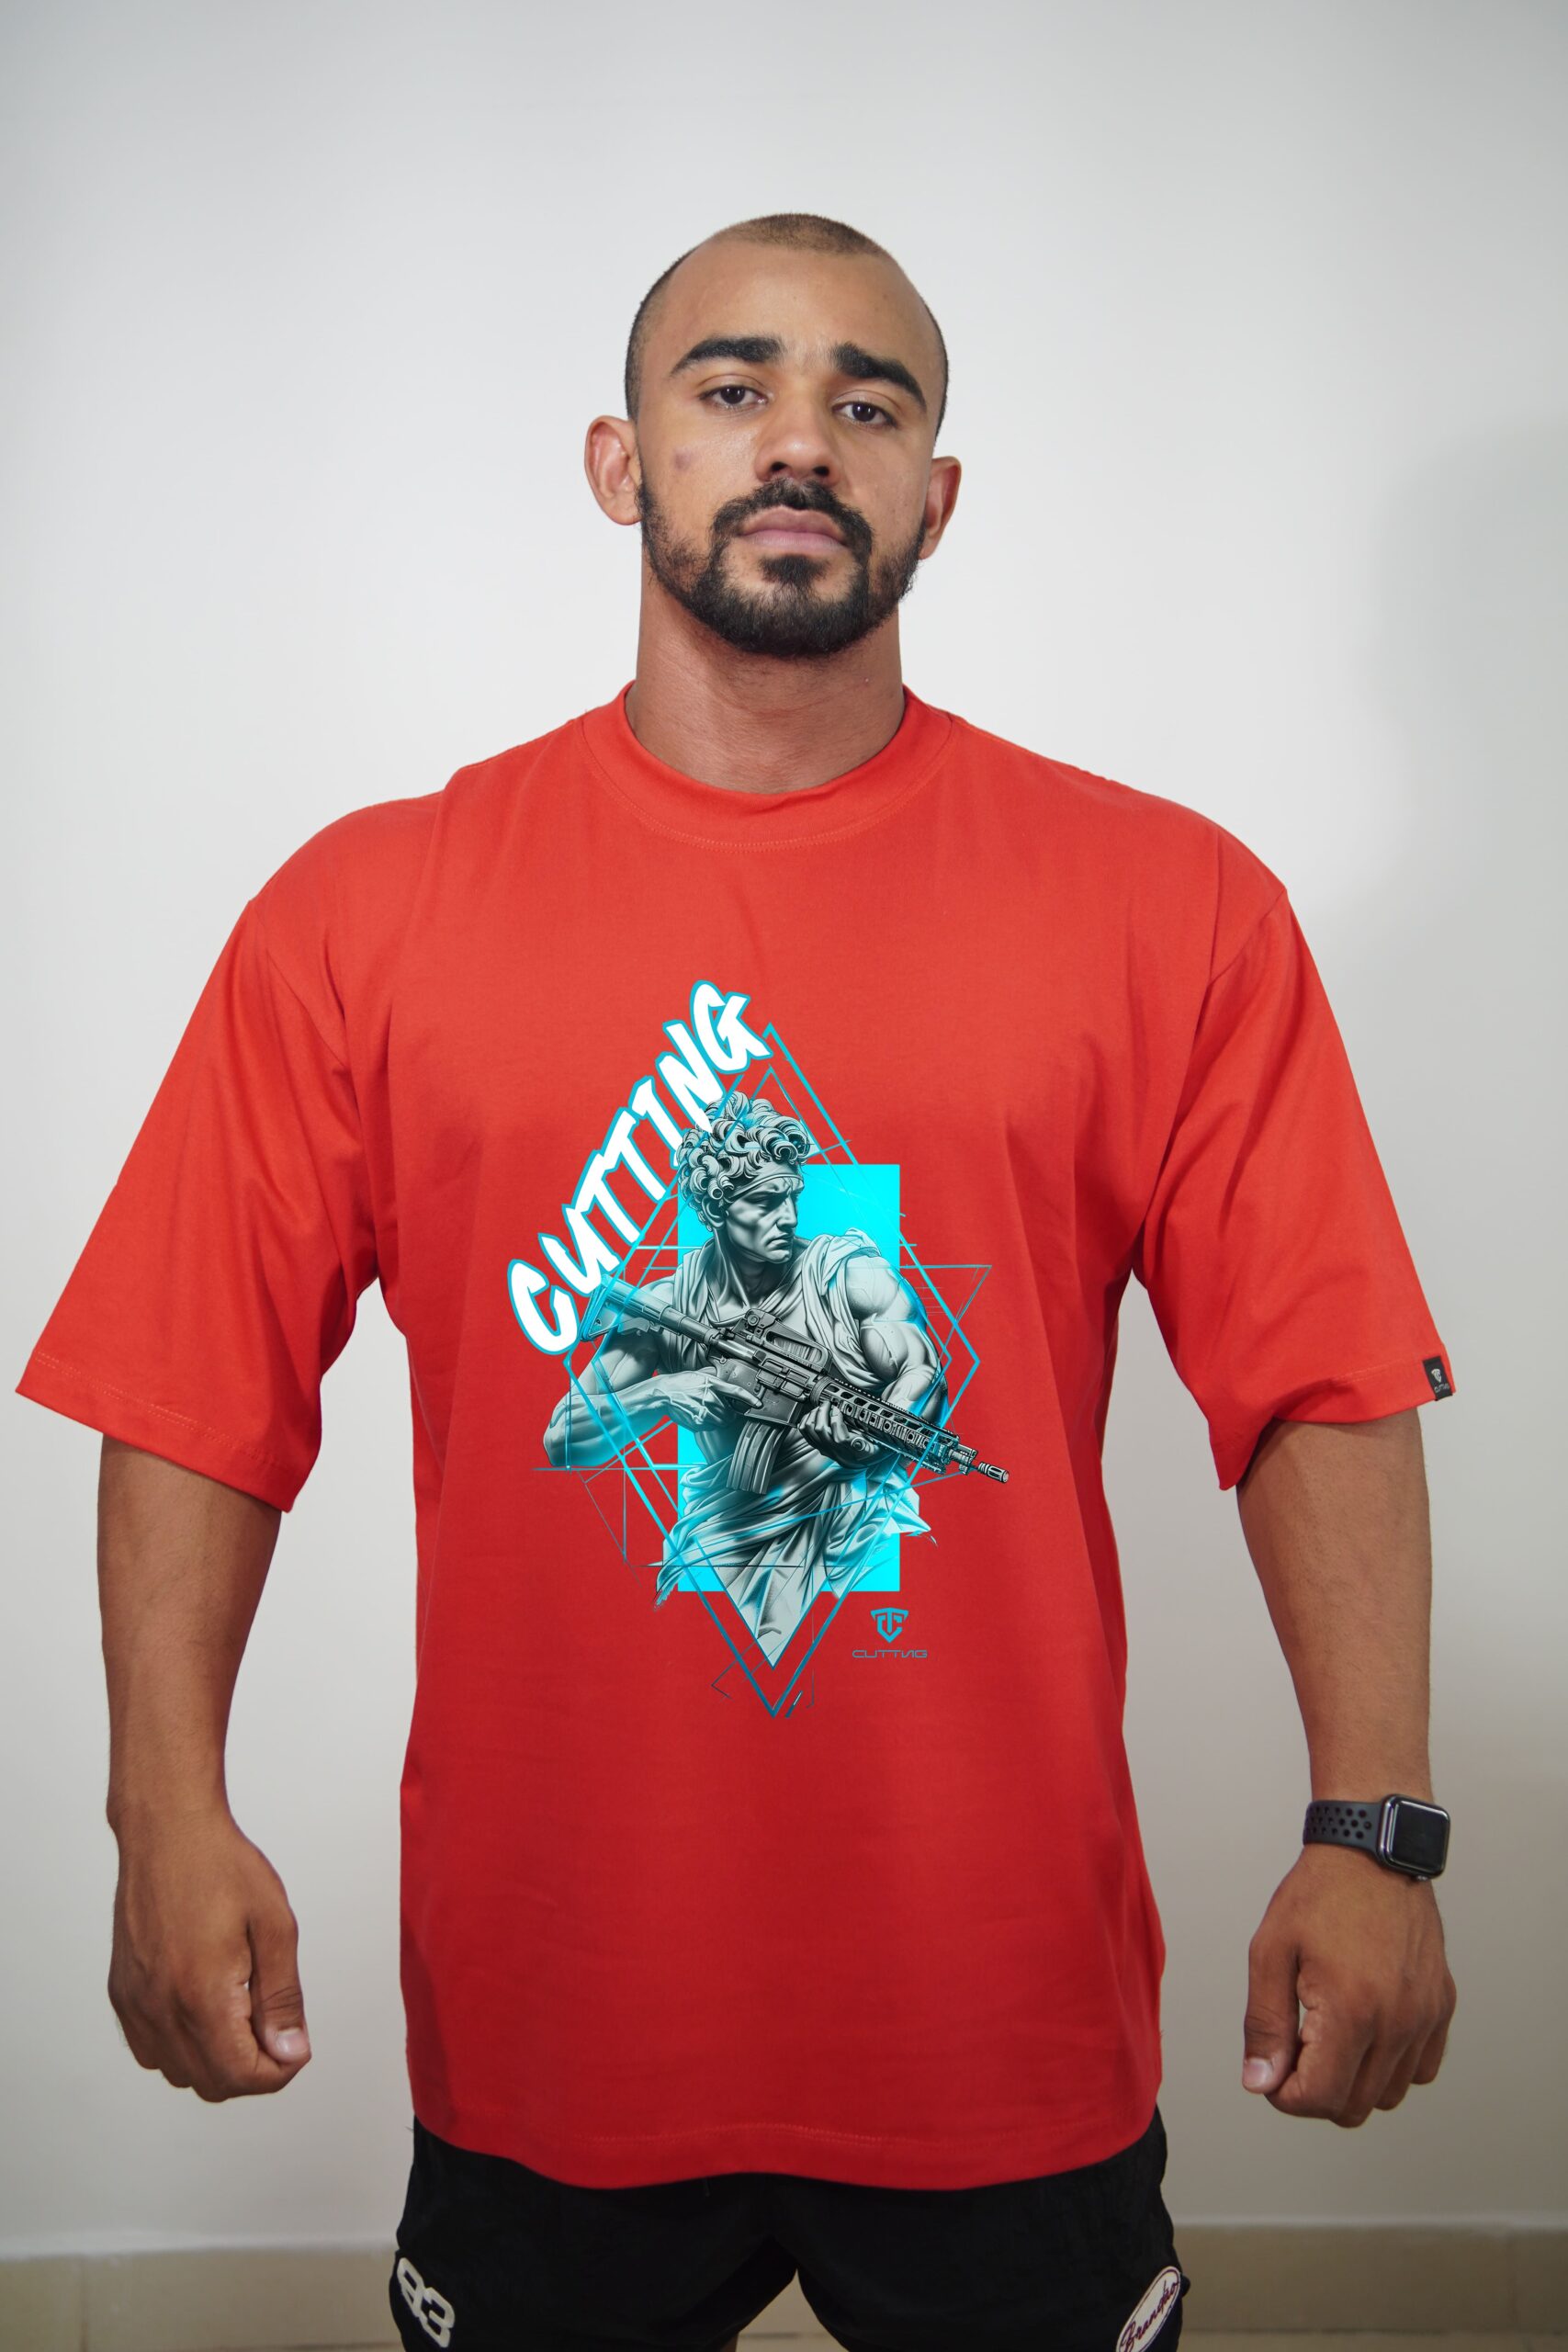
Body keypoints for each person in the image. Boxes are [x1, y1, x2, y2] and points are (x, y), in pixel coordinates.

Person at [17, 212, 1459, 2352]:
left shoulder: (1166, 904)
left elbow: (1320, 1372)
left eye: (866, 400)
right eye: (731, 385)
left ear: (934, 496)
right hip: (550, 2012)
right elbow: (192, 1383)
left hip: (996, 2006)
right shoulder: (366, 910)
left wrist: (1375, 1826)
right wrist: (161, 1806)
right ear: (618, 462)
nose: (800, 436)